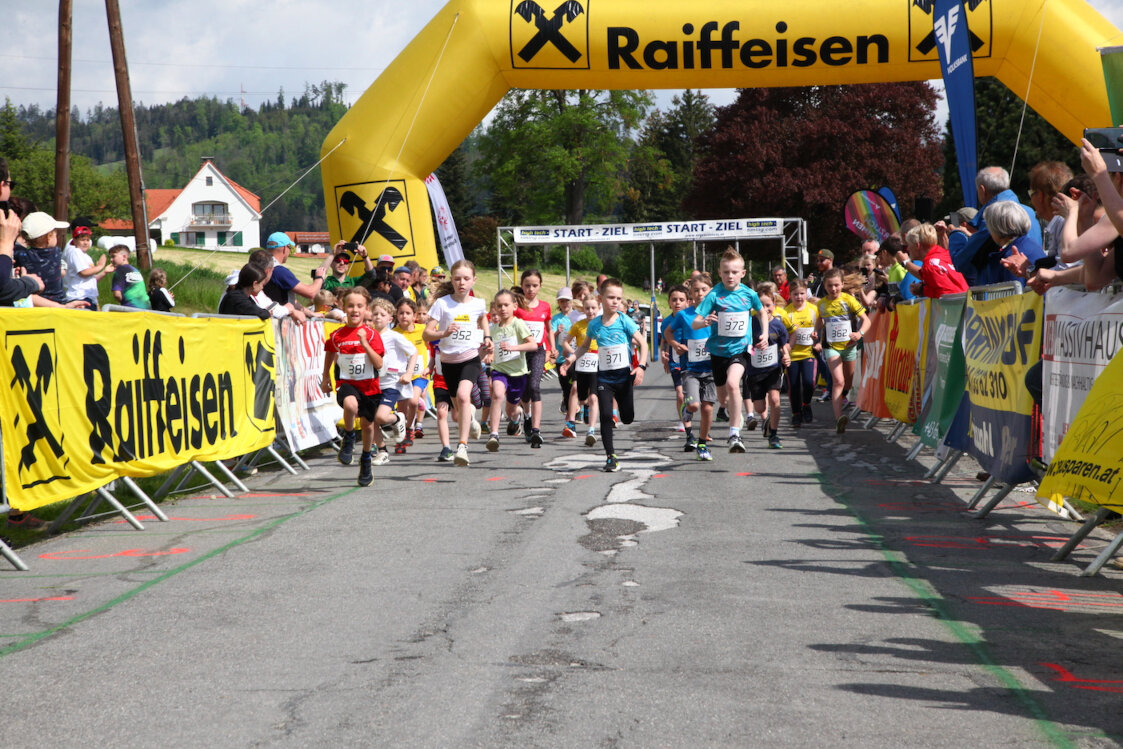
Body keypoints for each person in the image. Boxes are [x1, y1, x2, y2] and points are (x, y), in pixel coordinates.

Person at [560, 277, 648, 473]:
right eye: (611, 297)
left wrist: (641, 366)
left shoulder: (624, 321)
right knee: (606, 416)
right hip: (604, 378)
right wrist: (571, 359)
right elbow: (584, 346)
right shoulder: (594, 325)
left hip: (624, 377)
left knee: (627, 417)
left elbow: (643, 343)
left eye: (618, 298)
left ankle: (624, 415)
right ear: (601, 299)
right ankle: (611, 457)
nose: (615, 301)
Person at [690, 247, 768, 454]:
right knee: (722, 397)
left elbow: (762, 312)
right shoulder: (714, 294)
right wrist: (705, 321)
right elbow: (695, 323)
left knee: (734, 384)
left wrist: (764, 334)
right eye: (726, 272)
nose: (730, 276)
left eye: (734, 272)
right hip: (718, 352)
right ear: (720, 273)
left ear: (743, 273)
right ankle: (733, 412)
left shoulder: (749, 294)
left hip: (740, 349)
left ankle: (734, 434)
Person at [423, 259, 492, 467]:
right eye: (457, 279)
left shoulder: (478, 303)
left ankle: (462, 447)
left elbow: (483, 318)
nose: (462, 283)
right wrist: (444, 333)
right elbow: (427, 334)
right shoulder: (442, 304)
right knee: (458, 408)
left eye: (466, 278)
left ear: (474, 280)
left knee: (463, 396)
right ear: (452, 280)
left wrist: (487, 337)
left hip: (470, 358)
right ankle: (469, 420)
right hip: (448, 362)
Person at [322, 287, 384, 487]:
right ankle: (348, 436)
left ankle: (365, 460)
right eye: (350, 306)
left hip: (369, 387)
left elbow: (379, 364)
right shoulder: (337, 335)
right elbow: (330, 352)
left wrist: (365, 344)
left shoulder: (372, 335)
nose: (355, 310)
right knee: (350, 405)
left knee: (367, 426)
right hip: (346, 383)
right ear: (343, 307)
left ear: (366, 309)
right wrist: (325, 377)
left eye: (359, 306)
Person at [950, 166, 1042, 286]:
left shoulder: (995, 217)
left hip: (1008, 289)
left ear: (982, 190)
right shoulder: (1028, 211)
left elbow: (963, 263)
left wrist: (956, 233)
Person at [665, 274, 717, 460]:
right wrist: (675, 344)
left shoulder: (717, 313)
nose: (700, 293)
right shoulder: (684, 315)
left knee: (708, 409)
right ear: (691, 294)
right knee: (694, 405)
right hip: (690, 369)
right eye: (696, 290)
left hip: (711, 369)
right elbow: (668, 331)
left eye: (704, 290)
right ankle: (687, 410)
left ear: (711, 291)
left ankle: (702, 444)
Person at [815, 267, 870, 434]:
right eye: (829, 286)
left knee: (848, 382)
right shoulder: (821, 304)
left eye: (836, 285)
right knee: (838, 381)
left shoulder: (848, 300)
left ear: (842, 284)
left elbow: (866, 320)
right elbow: (820, 321)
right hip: (831, 347)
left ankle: (843, 397)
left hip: (849, 347)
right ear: (825, 286)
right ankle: (839, 418)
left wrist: (859, 334)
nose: (833, 289)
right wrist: (815, 331)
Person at [485, 289, 538, 453]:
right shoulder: (493, 329)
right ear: (495, 307)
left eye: (506, 305)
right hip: (499, 370)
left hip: (518, 373)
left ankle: (517, 415)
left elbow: (533, 345)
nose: (502, 309)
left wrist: (514, 348)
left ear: (514, 306)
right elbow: (489, 348)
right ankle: (494, 435)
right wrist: (487, 354)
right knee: (497, 395)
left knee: (511, 410)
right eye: (499, 305)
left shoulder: (518, 324)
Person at [369, 298, 417, 457]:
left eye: (382, 314)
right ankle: (381, 450)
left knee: (381, 417)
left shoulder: (394, 336)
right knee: (372, 418)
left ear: (390, 319)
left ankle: (397, 418)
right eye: (375, 314)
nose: (378, 317)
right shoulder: (369, 336)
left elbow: (414, 352)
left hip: (392, 382)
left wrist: (409, 373)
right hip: (373, 382)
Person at [744, 289, 790, 450]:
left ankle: (774, 435)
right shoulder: (750, 323)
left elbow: (783, 345)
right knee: (760, 408)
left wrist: (786, 356)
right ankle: (767, 422)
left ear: (774, 305)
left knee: (775, 399)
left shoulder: (778, 325)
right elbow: (743, 344)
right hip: (755, 371)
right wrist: (752, 349)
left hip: (773, 369)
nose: (765, 308)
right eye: (761, 305)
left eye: (768, 305)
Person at [514, 269, 552, 448]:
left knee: (534, 386)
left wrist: (551, 348)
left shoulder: (545, 306)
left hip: (538, 351)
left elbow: (549, 329)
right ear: (522, 285)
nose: (531, 289)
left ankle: (536, 430)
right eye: (527, 285)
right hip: (520, 352)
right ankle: (527, 417)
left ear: (540, 286)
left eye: (535, 285)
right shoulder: (516, 307)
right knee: (524, 390)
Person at [562, 293, 602, 447]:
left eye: (593, 308)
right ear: (583, 309)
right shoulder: (578, 325)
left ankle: (591, 429)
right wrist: (573, 354)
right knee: (574, 389)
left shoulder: (602, 324)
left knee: (593, 398)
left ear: (598, 308)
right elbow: (566, 342)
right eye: (587, 308)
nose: (590, 311)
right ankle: (570, 423)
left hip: (597, 362)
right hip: (580, 360)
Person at [976, 200, 1045, 286]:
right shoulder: (1030, 244)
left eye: (988, 226)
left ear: (996, 227)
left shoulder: (1011, 257)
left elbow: (1013, 292)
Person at [895, 223, 969, 298]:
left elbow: (946, 296)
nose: (908, 249)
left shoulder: (930, 266)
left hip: (958, 303)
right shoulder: (942, 254)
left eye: (909, 245)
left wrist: (905, 262)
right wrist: (922, 289)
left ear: (917, 246)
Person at [262, 231, 331, 309]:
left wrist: (309, 313)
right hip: (280, 314)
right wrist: (319, 277)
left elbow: (290, 300)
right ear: (285, 248)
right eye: (290, 248)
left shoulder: (262, 265)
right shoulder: (280, 271)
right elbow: (311, 293)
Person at [16, 211, 73, 307]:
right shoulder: (56, 252)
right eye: (55, 234)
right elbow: (62, 272)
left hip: (35, 302)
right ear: (48, 237)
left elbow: (15, 248)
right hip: (58, 300)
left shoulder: (22, 255)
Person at [783, 279, 819, 427]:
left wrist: (818, 340)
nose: (799, 297)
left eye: (802, 293)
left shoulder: (813, 309)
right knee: (794, 385)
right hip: (792, 355)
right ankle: (796, 413)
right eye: (795, 294)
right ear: (790, 295)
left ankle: (806, 404)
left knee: (809, 383)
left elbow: (821, 326)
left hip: (809, 353)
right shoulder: (787, 312)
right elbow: (782, 333)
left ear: (806, 293)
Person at [393, 298, 429, 448]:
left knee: (413, 401)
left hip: (420, 375)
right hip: (401, 376)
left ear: (414, 315)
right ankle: (402, 437)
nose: (404, 316)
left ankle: (410, 429)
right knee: (401, 409)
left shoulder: (423, 329)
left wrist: (430, 366)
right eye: (401, 313)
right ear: (396, 315)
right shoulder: (394, 333)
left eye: (408, 313)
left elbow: (435, 341)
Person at [660, 284, 690, 440]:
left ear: (687, 302)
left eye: (681, 300)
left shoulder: (691, 318)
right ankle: (683, 420)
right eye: (674, 300)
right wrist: (663, 354)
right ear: (669, 302)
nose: (677, 303)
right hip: (675, 361)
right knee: (680, 394)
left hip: (692, 362)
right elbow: (664, 341)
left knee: (692, 395)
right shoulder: (666, 322)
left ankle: (690, 413)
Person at [63, 225, 108, 309]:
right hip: (79, 296)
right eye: (82, 240)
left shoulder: (86, 256)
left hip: (88, 296)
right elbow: (84, 272)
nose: (85, 243)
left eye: (87, 240)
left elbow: (91, 278)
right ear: (75, 241)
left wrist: (104, 271)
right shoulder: (76, 252)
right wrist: (100, 266)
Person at [552, 286, 576, 429]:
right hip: (561, 359)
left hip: (576, 357)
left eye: (567, 301)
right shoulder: (556, 319)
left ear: (572, 301)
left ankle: (576, 411)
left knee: (576, 386)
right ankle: (568, 409)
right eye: (562, 301)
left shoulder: (577, 316)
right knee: (566, 388)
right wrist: (557, 332)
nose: (565, 303)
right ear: (558, 303)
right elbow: (550, 336)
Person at [107, 245, 150, 309]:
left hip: (130, 307)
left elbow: (117, 294)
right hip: (146, 306)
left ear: (124, 257)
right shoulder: (135, 270)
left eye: (113, 256)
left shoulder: (119, 271)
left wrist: (123, 302)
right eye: (110, 257)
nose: (111, 260)